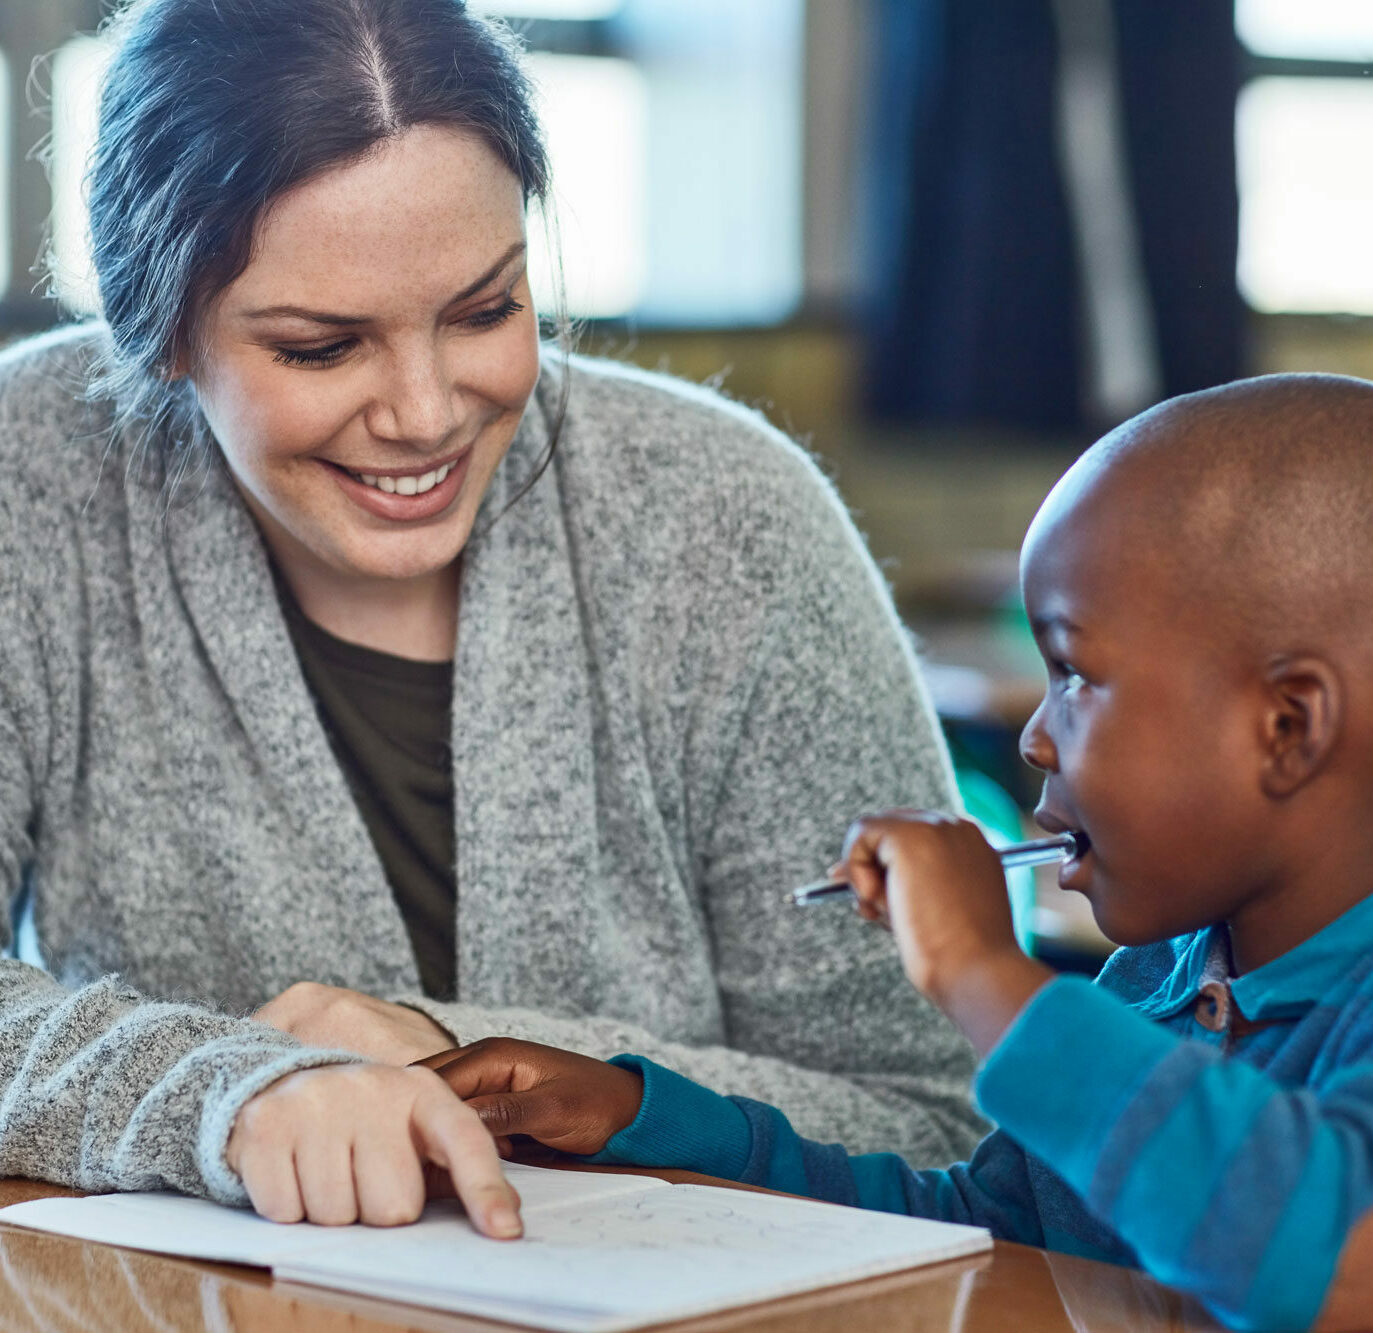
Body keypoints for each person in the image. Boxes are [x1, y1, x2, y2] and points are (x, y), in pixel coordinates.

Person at [0, 0, 984, 1231]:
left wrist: (444, 1051)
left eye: (483, 312)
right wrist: (227, 1091)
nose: (423, 413)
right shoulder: (28, 475)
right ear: (160, 334)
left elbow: (929, 1115)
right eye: (321, 347)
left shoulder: (730, 520)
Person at [430, 374, 1373, 1331]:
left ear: (1287, 726)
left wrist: (981, 971)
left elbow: (1329, 1260)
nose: (1035, 738)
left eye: (1076, 676)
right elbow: (969, 1236)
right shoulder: (1159, 983)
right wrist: (641, 1121)